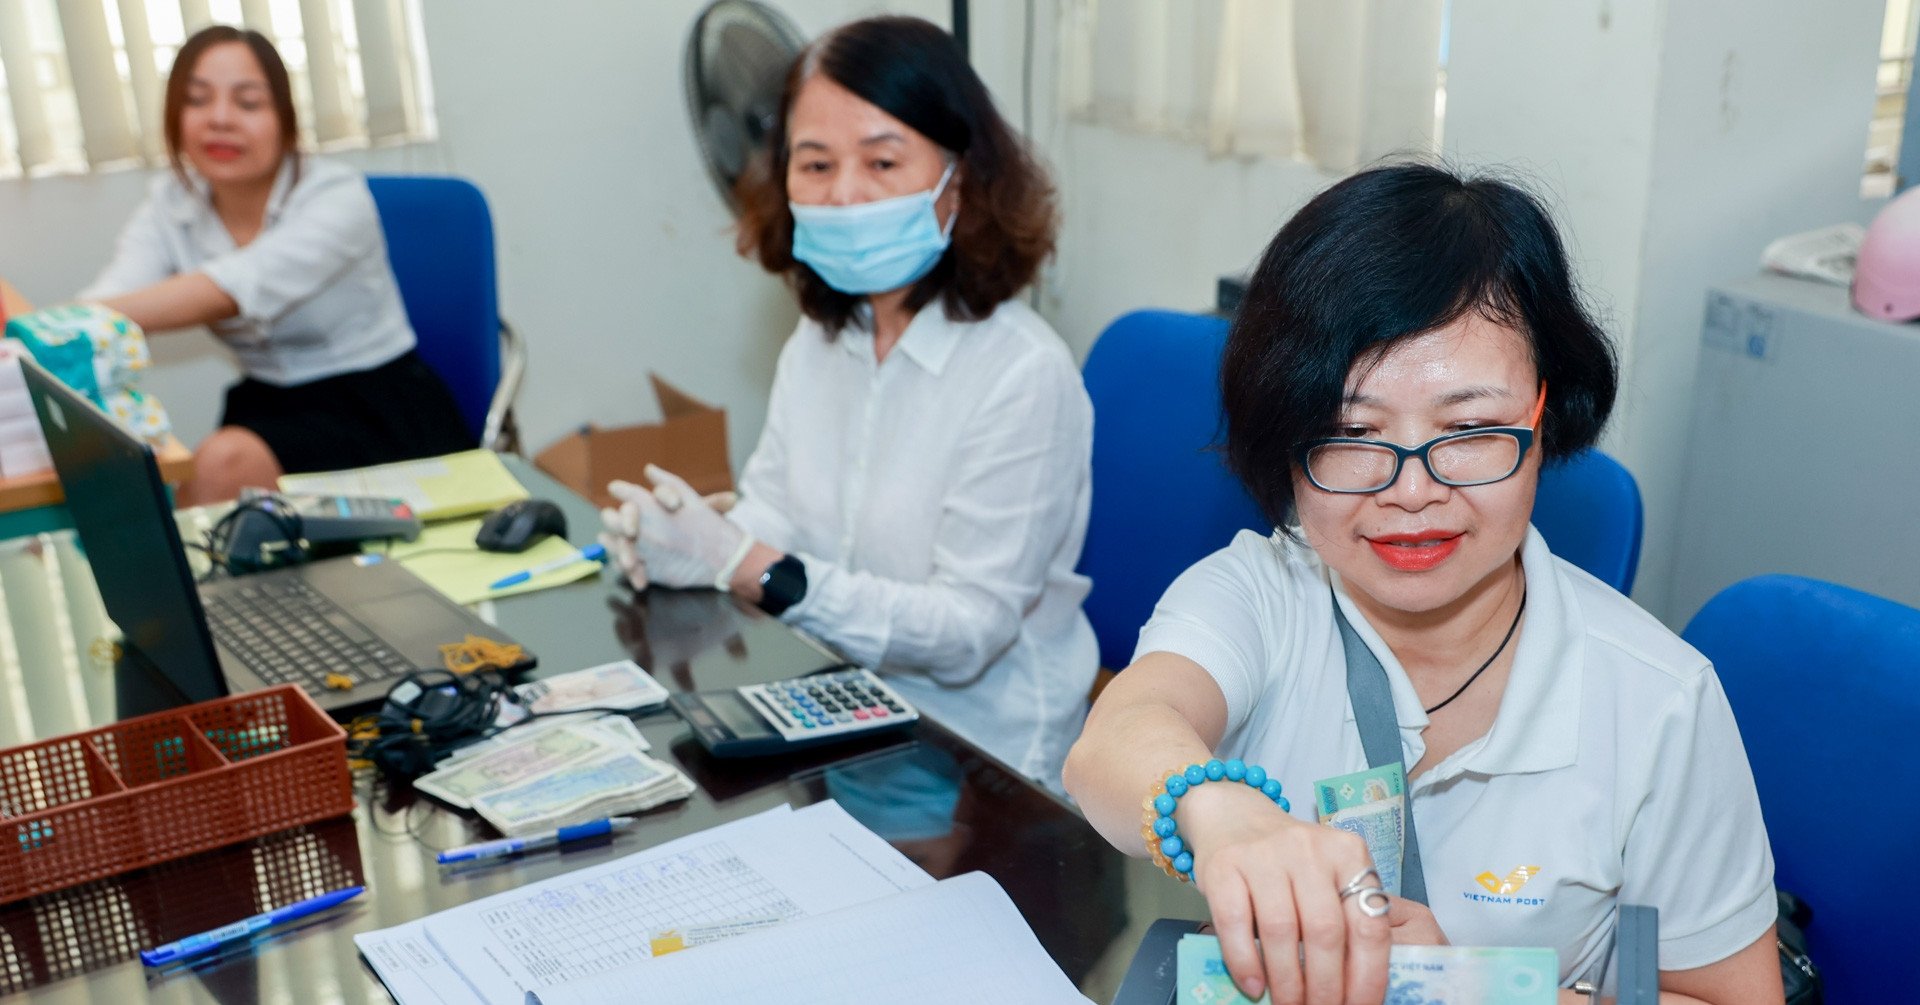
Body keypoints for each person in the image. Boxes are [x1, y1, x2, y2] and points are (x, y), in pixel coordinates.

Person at [1062, 164, 1780, 1004]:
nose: (1411, 491)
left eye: (1468, 428)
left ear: (1546, 414)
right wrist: (1222, 811)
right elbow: (1116, 740)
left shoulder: (1659, 701)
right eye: (1352, 432)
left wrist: (1475, 990)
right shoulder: (1264, 591)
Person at [597, 16, 1096, 786]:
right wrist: (695, 544)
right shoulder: (823, 340)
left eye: (883, 160)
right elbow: (778, 512)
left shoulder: (1021, 373)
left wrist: (749, 565)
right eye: (816, 164)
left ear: (957, 180)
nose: (846, 194)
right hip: (839, 710)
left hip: (986, 759)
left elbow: (968, 630)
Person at [79, 26, 470, 504]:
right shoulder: (171, 202)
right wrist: (58, 329)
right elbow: (111, 296)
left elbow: (227, 289)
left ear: (284, 119)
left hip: (375, 407)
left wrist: (69, 322)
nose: (219, 119)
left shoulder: (336, 198)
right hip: (265, 406)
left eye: (248, 103)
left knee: (220, 467)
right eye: (197, 100)